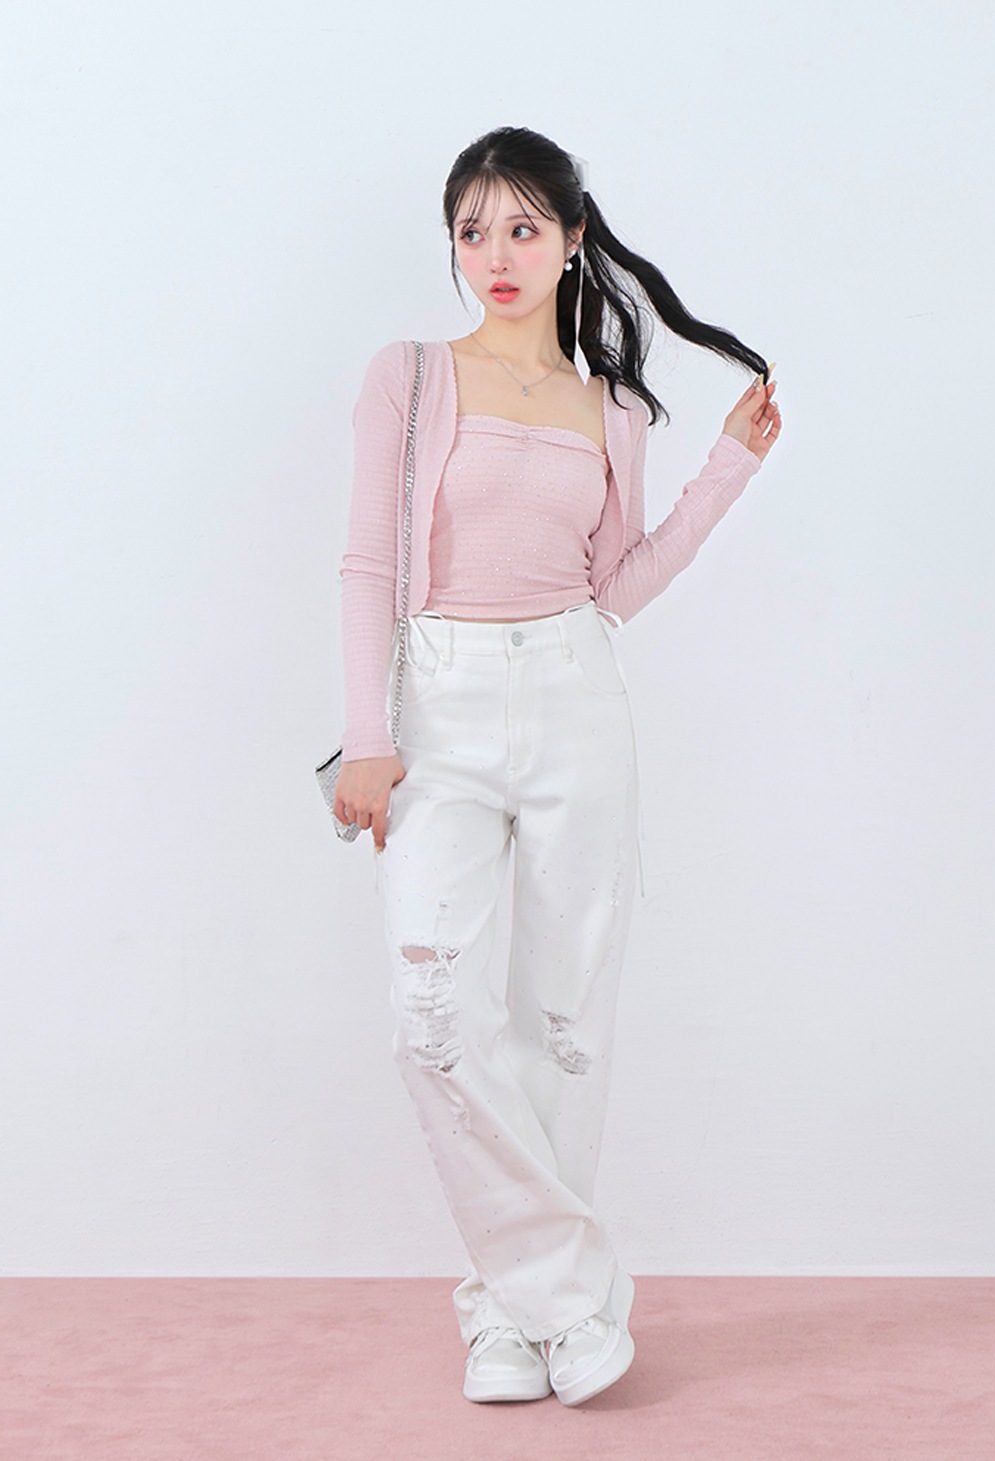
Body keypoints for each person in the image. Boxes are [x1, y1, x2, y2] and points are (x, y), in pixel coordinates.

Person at [333, 126, 781, 1406]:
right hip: (438, 711)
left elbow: (617, 587)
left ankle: (508, 1321)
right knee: (432, 1017)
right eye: (472, 230)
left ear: (573, 241)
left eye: (524, 227)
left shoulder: (613, 408)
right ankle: (571, 1300)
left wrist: (730, 468)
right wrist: (368, 737)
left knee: (565, 1028)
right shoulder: (409, 378)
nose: (497, 254)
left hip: (577, 698)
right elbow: (368, 561)